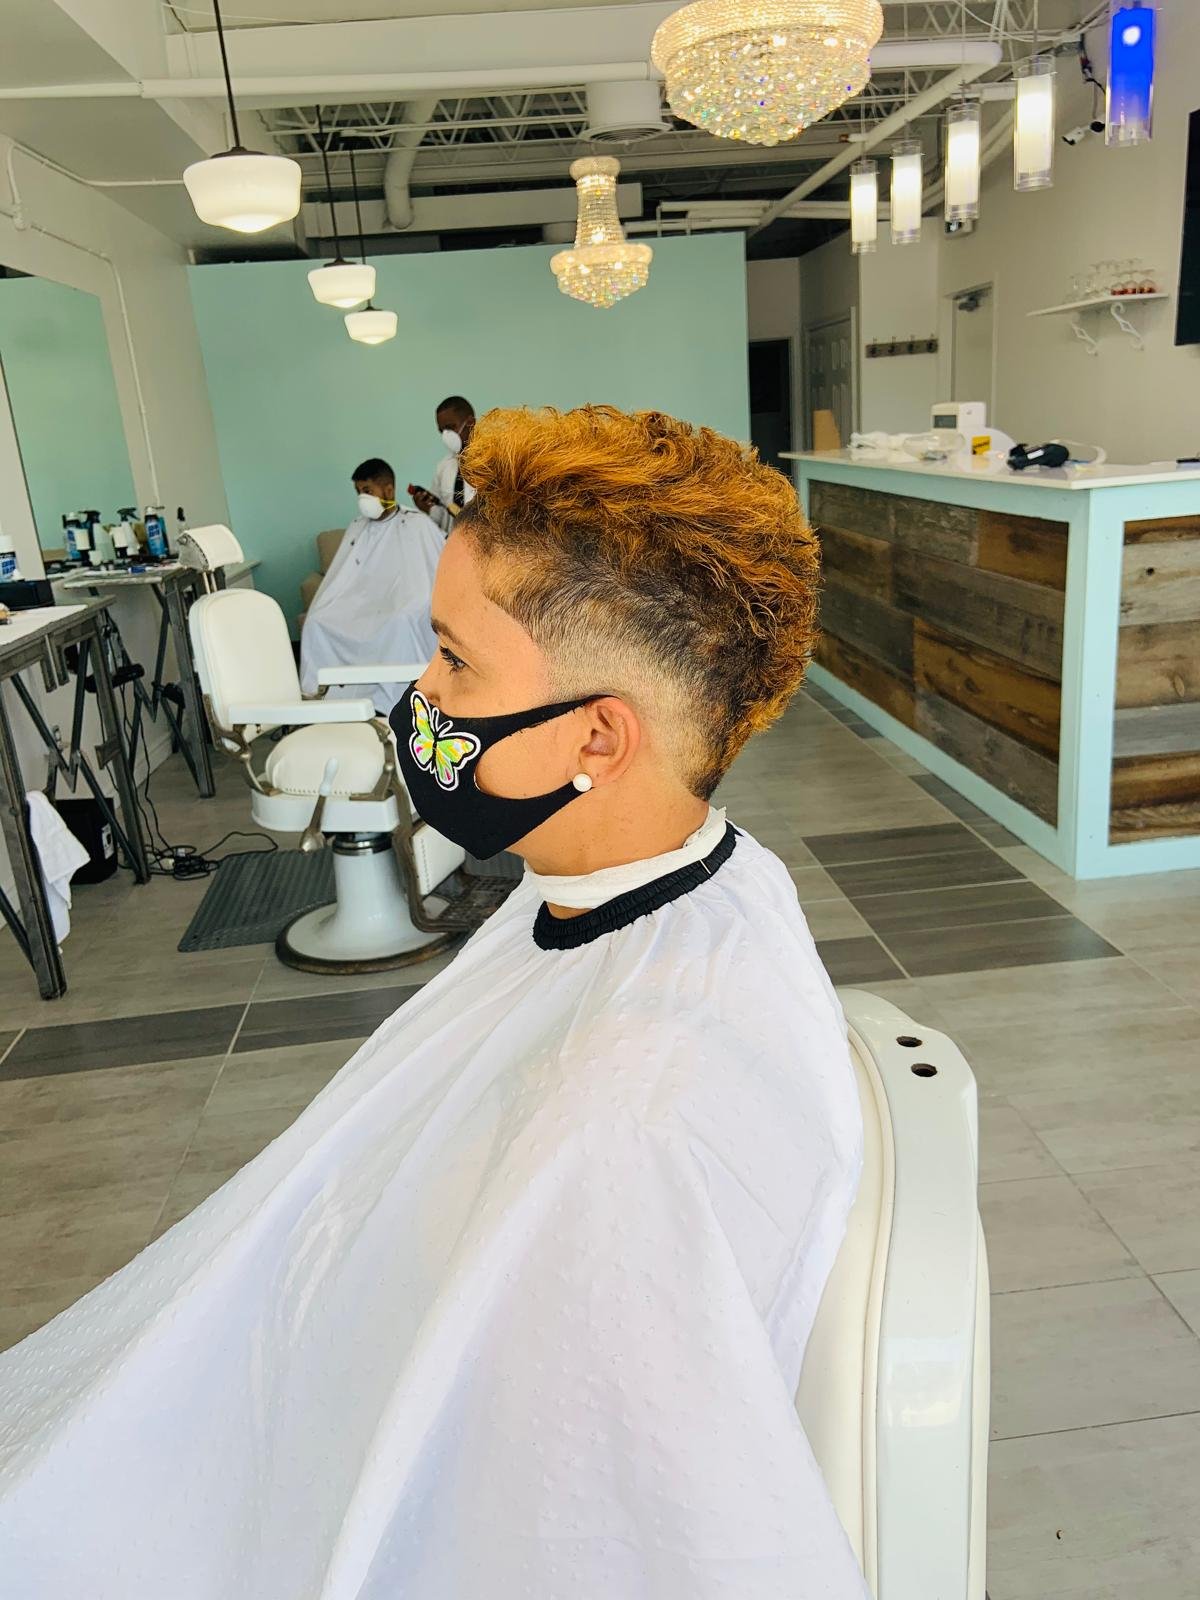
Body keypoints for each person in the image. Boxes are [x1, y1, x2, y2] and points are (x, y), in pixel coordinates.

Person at [0, 407, 868, 1600]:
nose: (421, 692)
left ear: (598, 739)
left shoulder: (631, 1115)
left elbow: (580, 1531)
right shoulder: (656, 878)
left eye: (454, 659)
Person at [300, 456, 444, 715]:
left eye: (367, 490)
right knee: (316, 621)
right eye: (358, 492)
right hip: (359, 604)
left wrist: (407, 604)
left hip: (400, 604)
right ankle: (321, 695)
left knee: (400, 621)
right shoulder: (358, 528)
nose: (362, 498)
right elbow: (340, 580)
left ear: (388, 490)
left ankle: (401, 699)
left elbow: (433, 575)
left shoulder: (416, 523)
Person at [411, 394, 476, 531]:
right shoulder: (444, 467)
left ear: (470, 422)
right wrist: (428, 509)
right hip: (453, 546)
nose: (446, 435)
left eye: (450, 427)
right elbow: (443, 519)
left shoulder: (494, 464)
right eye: (442, 431)